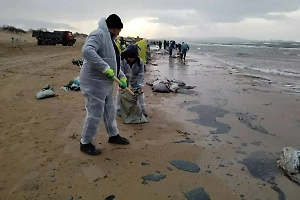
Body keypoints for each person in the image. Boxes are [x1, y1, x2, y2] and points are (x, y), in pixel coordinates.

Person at [79, 14, 130, 156]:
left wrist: (122, 77)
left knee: (110, 111)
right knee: (94, 113)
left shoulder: (111, 41)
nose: (119, 33)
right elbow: (87, 51)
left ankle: (113, 135)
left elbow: (114, 63)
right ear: (114, 28)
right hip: (93, 83)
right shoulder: (98, 35)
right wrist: (104, 68)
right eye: (119, 30)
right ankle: (85, 142)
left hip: (105, 84)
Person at [115, 44, 147, 117]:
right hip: (123, 77)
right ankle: (118, 108)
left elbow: (141, 73)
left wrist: (140, 84)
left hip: (135, 78)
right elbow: (120, 71)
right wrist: (121, 83)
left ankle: (142, 108)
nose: (131, 59)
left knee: (140, 93)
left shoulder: (140, 62)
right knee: (120, 92)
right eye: (129, 57)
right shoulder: (122, 60)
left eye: (133, 58)